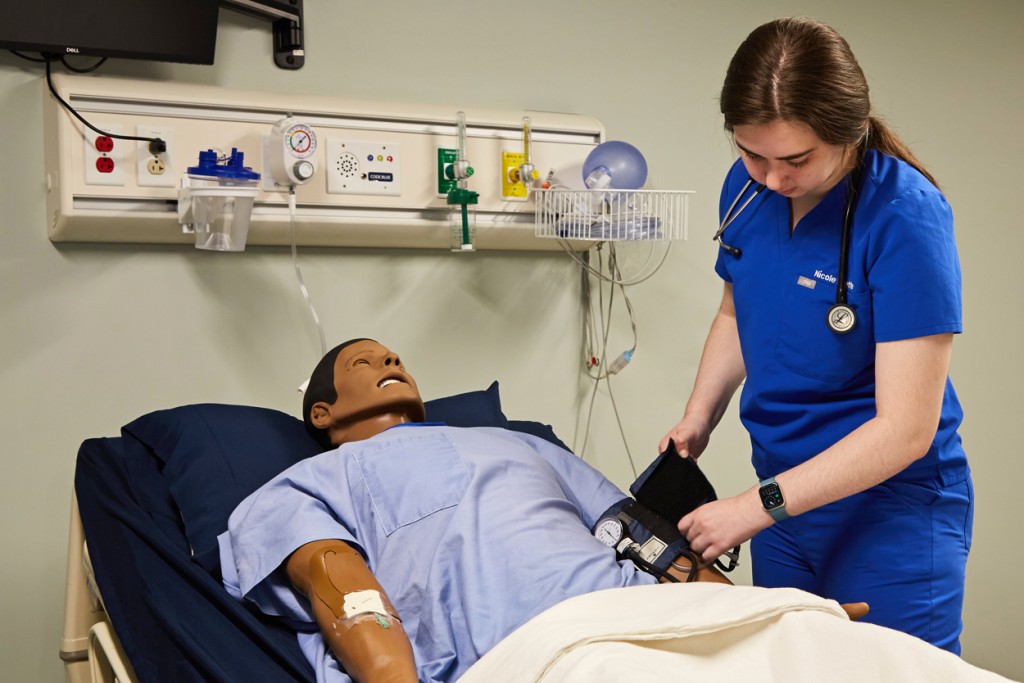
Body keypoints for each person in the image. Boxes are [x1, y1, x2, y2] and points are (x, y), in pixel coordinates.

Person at [660, 16, 971, 654]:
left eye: (796, 160)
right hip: (782, 504)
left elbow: (906, 431)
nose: (773, 179)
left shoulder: (905, 218)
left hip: (888, 512)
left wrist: (752, 508)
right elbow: (735, 311)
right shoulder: (745, 192)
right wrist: (699, 417)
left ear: (849, 133)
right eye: (752, 153)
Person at [218, 338, 725, 683]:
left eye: (394, 359)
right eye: (365, 363)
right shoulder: (302, 485)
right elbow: (343, 588)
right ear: (321, 412)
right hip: (531, 648)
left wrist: (743, 610)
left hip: (652, 618)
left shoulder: (516, 441)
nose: (392, 364)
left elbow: (645, 537)